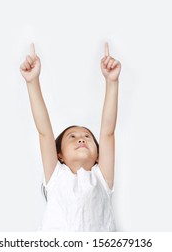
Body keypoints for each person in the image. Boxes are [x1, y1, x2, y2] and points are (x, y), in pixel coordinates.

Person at [20, 42, 121, 231]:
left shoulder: (101, 177)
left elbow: (108, 132)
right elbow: (44, 132)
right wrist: (32, 82)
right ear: (59, 154)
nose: (81, 139)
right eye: (72, 137)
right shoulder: (56, 175)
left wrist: (112, 82)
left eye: (87, 136)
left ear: (99, 156)